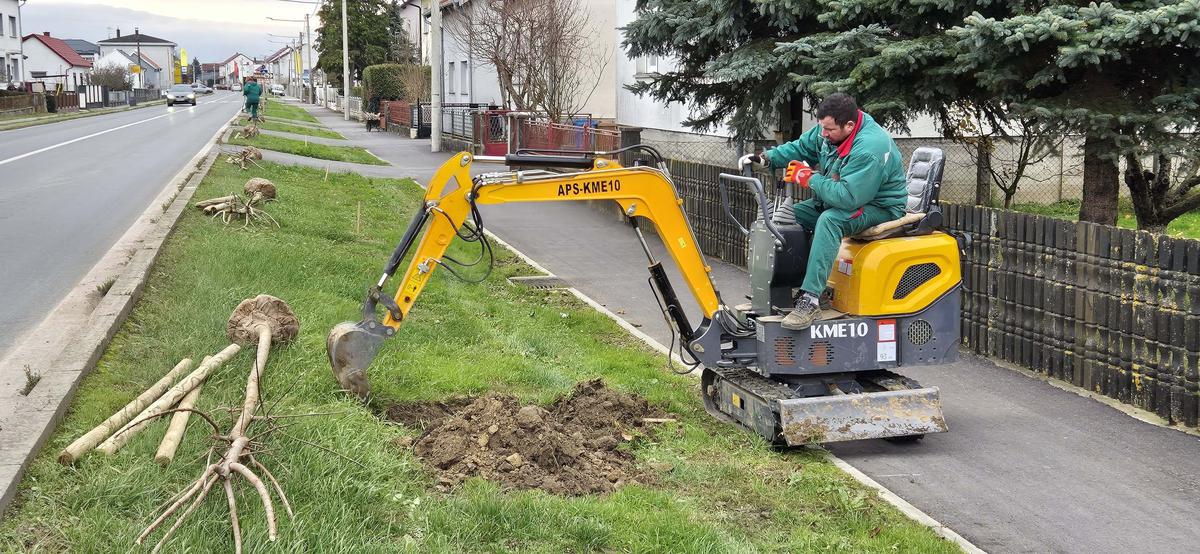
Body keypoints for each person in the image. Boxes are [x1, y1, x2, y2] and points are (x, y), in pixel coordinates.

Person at [740, 93, 908, 330]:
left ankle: (810, 300)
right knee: (786, 219)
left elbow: (848, 198)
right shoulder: (829, 131)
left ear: (849, 125)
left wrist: (809, 178)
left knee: (829, 221)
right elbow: (802, 147)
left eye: (829, 130)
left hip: (878, 207)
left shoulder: (869, 148)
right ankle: (793, 286)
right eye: (822, 128)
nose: (824, 134)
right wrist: (766, 159)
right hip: (846, 197)